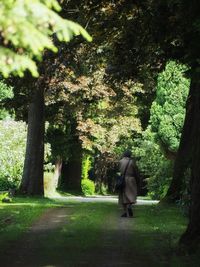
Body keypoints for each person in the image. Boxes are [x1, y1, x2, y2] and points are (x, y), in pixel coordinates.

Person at [118, 150, 139, 218]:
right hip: (131, 179)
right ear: (130, 155)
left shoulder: (121, 161)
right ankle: (129, 206)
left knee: (123, 195)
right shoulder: (132, 162)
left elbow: (120, 170)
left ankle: (124, 212)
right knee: (131, 194)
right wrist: (138, 178)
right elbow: (136, 171)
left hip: (123, 179)